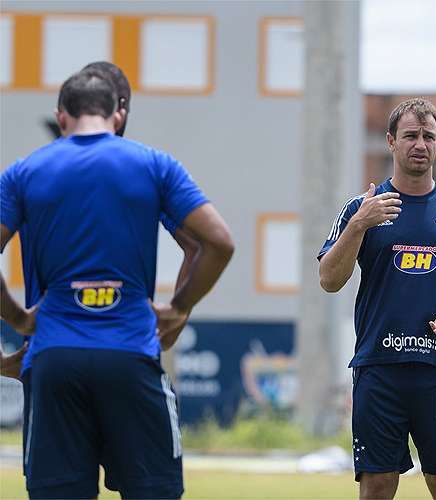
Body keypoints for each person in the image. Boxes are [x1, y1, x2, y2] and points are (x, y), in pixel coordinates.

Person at [0, 69, 234, 499]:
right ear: (116, 114)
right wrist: (179, 307)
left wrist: (17, 317)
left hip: (53, 358)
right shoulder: (154, 164)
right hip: (129, 353)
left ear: (61, 116)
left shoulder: (24, 171)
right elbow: (216, 242)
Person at [318, 98, 436, 500]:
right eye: (411, 136)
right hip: (379, 368)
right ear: (391, 141)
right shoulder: (361, 209)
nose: (420, 144)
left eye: (428, 136)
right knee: (378, 486)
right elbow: (329, 279)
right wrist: (358, 226)